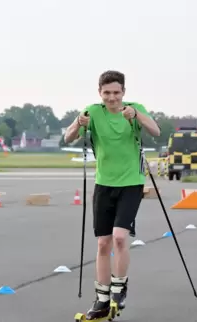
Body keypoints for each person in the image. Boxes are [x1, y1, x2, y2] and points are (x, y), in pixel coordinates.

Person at [64, 70, 160, 320]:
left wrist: (136, 115)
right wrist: (78, 122)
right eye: (107, 93)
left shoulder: (134, 108)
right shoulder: (93, 111)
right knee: (103, 243)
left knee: (119, 238)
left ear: (123, 93)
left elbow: (156, 131)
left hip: (131, 183)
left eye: (116, 93)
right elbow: (69, 136)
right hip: (104, 184)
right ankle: (102, 298)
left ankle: (120, 288)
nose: (112, 98)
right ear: (100, 93)